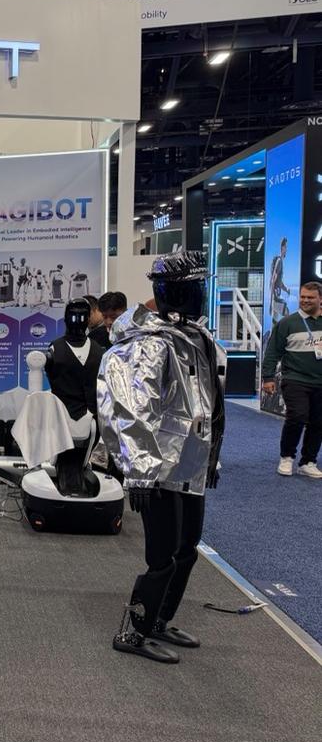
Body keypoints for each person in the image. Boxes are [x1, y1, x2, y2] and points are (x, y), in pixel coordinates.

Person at [99, 251, 224, 664]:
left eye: (201, 286)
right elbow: (131, 410)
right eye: (194, 287)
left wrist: (211, 459)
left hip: (191, 464)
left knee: (187, 548)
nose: (201, 294)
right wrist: (139, 472)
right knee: (161, 557)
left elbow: (208, 405)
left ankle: (159, 620)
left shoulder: (195, 337)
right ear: (172, 292)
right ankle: (132, 632)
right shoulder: (147, 345)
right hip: (158, 469)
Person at [262, 280, 322, 478]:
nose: (305, 300)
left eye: (310, 297)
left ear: (320, 299)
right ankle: (287, 457)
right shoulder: (287, 323)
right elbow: (272, 352)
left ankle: (308, 462)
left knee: (318, 422)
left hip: (320, 382)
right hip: (295, 379)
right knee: (297, 416)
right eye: (303, 297)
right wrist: (268, 377)